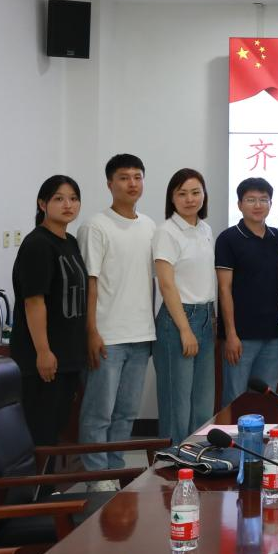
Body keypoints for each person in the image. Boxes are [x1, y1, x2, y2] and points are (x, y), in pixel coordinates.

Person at [78, 154, 157, 490]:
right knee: (99, 414)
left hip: (141, 335)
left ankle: (115, 470)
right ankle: (96, 477)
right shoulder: (96, 226)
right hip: (107, 336)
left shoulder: (150, 226)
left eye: (137, 177)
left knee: (126, 413)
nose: (132, 183)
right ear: (110, 184)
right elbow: (90, 282)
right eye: (124, 177)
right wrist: (91, 331)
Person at [10, 175, 88, 446]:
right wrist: (43, 351)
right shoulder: (38, 244)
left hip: (68, 356)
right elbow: (33, 302)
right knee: (41, 434)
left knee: (56, 430)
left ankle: (47, 477)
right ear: (42, 204)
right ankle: (35, 478)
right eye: (59, 199)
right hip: (44, 358)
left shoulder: (70, 242)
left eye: (74, 198)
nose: (68, 205)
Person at [151, 168, 216, 444]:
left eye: (195, 192)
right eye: (182, 194)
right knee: (176, 404)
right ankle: (172, 463)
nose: (190, 199)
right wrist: (185, 330)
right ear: (172, 198)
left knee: (202, 402)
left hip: (206, 316)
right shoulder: (166, 231)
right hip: (178, 320)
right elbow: (166, 285)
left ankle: (197, 458)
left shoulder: (205, 229)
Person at [216, 177, 278, 404]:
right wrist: (231, 334)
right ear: (239, 204)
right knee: (235, 399)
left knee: (267, 399)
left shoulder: (277, 238)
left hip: (272, 334)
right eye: (251, 200)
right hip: (240, 336)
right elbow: (224, 289)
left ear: (270, 204)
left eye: (263, 200)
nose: (258, 205)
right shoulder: (228, 238)